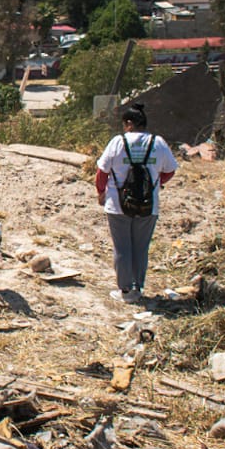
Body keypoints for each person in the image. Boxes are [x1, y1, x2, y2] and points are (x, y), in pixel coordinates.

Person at [95, 104, 178, 305]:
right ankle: (138, 287)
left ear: (130, 124)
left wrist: (101, 192)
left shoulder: (118, 142)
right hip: (149, 204)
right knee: (141, 247)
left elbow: (102, 172)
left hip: (117, 204)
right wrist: (156, 184)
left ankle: (124, 289)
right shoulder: (158, 143)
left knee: (122, 248)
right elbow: (170, 170)